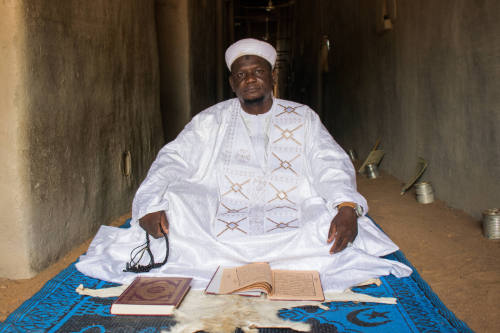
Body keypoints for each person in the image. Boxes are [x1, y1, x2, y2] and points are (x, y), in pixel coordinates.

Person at [76, 38, 411, 291]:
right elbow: (174, 158)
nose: (250, 79)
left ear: (272, 76)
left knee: (325, 220)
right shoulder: (212, 120)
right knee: (177, 205)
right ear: (232, 82)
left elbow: (328, 161)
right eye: (242, 74)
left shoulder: (303, 117)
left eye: (258, 72)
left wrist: (347, 205)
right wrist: (151, 204)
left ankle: (231, 260)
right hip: (221, 208)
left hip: (290, 206)